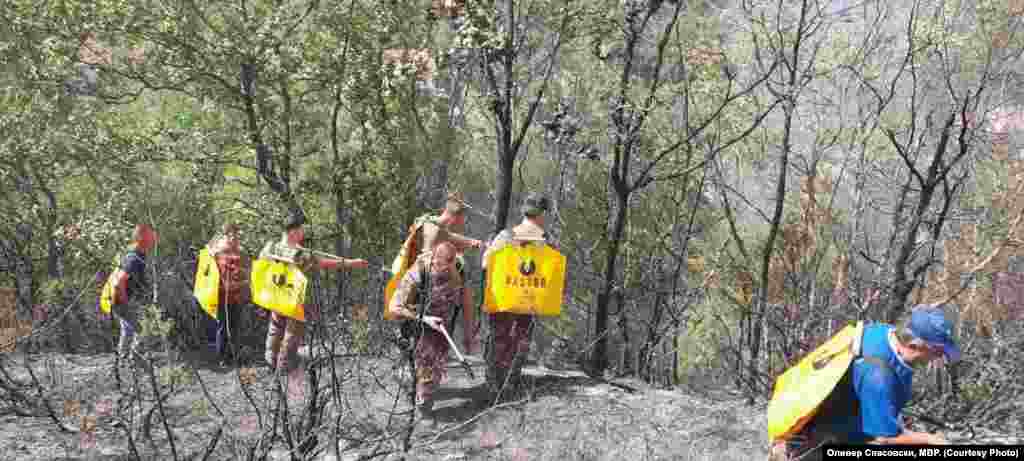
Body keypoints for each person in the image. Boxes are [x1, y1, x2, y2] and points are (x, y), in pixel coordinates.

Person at [769, 305, 960, 460]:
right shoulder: (878, 375)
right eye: (937, 351)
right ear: (914, 345)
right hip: (814, 443)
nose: (940, 357)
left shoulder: (883, 332)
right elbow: (885, 437)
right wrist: (931, 440)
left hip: (817, 424)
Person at [261, 213, 369, 371]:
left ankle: (271, 362)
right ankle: (283, 367)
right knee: (292, 333)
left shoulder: (271, 247)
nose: (302, 233)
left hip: (276, 296)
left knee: (275, 328)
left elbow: (261, 263)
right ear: (293, 231)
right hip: (292, 299)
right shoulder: (298, 254)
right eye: (301, 230)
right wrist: (352, 263)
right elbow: (324, 262)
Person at [480, 192, 550, 394]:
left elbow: (486, 263)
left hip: (503, 298)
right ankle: (510, 384)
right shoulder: (544, 242)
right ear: (542, 214)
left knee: (499, 339)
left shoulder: (506, 236)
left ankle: (494, 386)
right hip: (528, 300)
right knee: (521, 340)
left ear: (524, 212)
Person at [387, 242, 465, 422]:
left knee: (432, 372)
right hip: (416, 327)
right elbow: (395, 307)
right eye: (439, 266)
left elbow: (460, 298)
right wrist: (424, 318)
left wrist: (466, 331)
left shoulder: (458, 268)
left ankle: (423, 406)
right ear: (434, 260)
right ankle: (423, 413)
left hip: (441, 330)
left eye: (448, 266)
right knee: (418, 373)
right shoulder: (417, 273)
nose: (443, 270)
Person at [399, 192, 484, 353]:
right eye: (462, 217)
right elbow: (443, 245)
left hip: (412, 282)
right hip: (426, 287)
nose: (463, 222)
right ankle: (469, 338)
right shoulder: (437, 232)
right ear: (456, 217)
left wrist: (471, 242)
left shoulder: (428, 222)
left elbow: (450, 236)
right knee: (464, 283)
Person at [110, 224, 158, 360]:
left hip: (121, 301)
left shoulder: (136, 255)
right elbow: (118, 282)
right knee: (144, 331)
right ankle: (135, 361)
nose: (154, 239)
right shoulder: (133, 258)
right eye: (150, 236)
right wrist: (125, 302)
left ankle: (123, 360)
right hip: (123, 302)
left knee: (128, 331)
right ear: (140, 238)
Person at [205, 223, 247, 365]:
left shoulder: (236, 249)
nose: (235, 236)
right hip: (223, 294)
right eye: (232, 233)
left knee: (235, 326)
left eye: (236, 233)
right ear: (227, 234)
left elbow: (238, 270)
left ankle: (232, 356)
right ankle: (222, 358)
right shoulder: (219, 250)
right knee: (224, 326)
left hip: (235, 294)